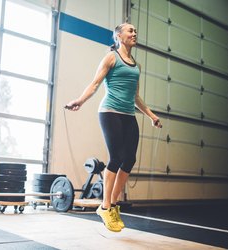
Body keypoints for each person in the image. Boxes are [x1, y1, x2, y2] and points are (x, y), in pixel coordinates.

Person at [65, 23, 162, 232]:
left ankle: (113, 205)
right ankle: (105, 206)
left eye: (136, 30)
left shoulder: (136, 65)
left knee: (130, 159)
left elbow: (136, 97)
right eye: (130, 31)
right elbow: (94, 84)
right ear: (119, 36)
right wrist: (80, 101)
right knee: (116, 158)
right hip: (109, 112)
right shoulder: (111, 58)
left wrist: (152, 116)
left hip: (128, 115)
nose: (134, 33)